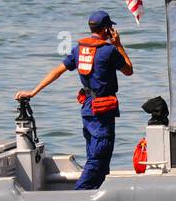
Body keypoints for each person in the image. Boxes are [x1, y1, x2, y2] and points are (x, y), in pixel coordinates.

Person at [15, 11, 133, 189]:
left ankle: (94, 193)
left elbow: (57, 71)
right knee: (99, 157)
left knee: (96, 157)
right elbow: (129, 70)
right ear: (106, 30)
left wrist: (34, 91)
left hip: (87, 110)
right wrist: (118, 45)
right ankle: (78, 195)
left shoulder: (79, 50)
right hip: (102, 112)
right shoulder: (108, 51)